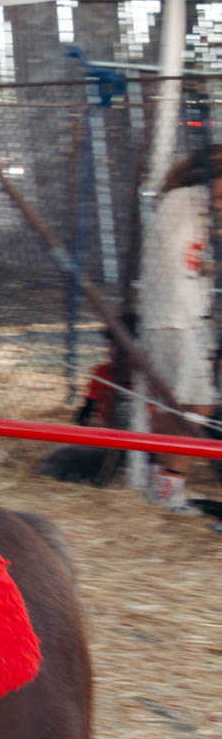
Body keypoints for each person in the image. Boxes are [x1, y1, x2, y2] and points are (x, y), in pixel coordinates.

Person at [139, 146, 219, 511]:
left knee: (176, 407)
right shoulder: (186, 200)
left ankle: (160, 484)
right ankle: (171, 487)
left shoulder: (193, 206)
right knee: (197, 404)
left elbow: (188, 256)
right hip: (173, 318)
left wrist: (206, 266)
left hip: (183, 316)